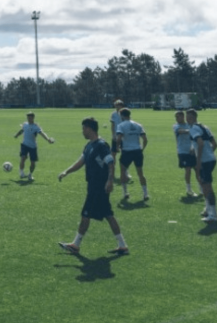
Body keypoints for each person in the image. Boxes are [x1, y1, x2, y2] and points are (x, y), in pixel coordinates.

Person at [57, 117, 129, 256]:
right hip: (93, 186)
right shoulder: (89, 146)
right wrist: (67, 171)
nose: (82, 131)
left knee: (86, 214)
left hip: (98, 187)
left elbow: (111, 163)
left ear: (89, 129)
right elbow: (80, 162)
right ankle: (122, 245)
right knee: (108, 214)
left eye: (83, 128)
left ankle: (76, 245)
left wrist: (109, 181)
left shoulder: (101, 145)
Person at [186, 109, 217, 223]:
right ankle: (208, 210)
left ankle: (213, 215)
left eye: (188, 117)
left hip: (204, 161)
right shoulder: (204, 127)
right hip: (212, 159)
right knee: (205, 186)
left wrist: (199, 161)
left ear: (192, 118)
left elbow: (200, 143)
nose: (187, 119)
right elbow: (215, 144)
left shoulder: (193, 129)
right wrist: (209, 154)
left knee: (207, 187)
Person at [115, 108, 149, 201]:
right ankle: (145, 193)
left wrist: (117, 147)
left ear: (122, 116)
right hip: (137, 151)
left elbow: (119, 138)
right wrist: (142, 148)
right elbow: (145, 139)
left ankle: (125, 193)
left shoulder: (121, 125)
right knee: (140, 173)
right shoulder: (138, 125)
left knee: (123, 172)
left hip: (127, 151)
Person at [14, 111, 54, 182]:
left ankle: (30, 174)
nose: (29, 119)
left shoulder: (36, 127)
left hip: (33, 147)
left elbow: (42, 133)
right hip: (24, 145)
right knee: (23, 158)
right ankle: (21, 173)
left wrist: (48, 139)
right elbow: (22, 130)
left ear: (33, 118)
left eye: (30, 117)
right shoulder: (25, 124)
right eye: (28, 117)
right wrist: (17, 135)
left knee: (33, 162)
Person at [173, 110, 198, 197]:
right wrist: (193, 130)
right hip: (182, 151)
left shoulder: (189, 125)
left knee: (197, 169)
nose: (176, 119)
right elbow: (181, 131)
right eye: (176, 117)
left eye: (178, 117)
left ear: (183, 117)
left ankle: (201, 188)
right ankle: (189, 189)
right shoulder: (176, 126)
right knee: (188, 169)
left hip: (192, 150)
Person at [110, 99, 131, 181]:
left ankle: (125, 173)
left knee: (124, 155)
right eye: (116, 105)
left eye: (119, 105)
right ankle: (112, 173)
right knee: (113, 155)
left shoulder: (125, 113)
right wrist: (113, 135)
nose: (117, 106)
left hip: (124, 137)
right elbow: (112, 125)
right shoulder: (113, 114)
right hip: (116, 137)